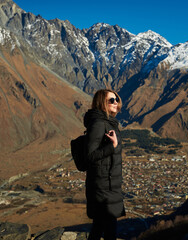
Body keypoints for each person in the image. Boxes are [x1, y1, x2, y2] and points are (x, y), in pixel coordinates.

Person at [83, 89, 125, 240]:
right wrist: (112, 146)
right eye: (111, 100)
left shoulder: (107, 122)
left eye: (116, 99)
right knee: (109, 230)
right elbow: (90, 155)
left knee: (100, 227)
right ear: (102, 103)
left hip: (108, 184)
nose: (116, 103)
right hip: (103, 187)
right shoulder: (99, 124)